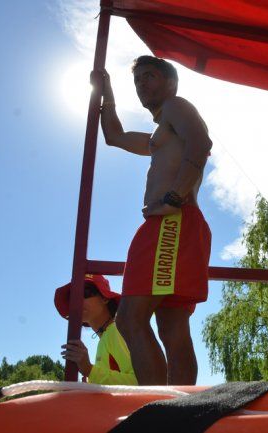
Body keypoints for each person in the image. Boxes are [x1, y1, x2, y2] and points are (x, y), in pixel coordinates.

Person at [99, 56, 213, 385]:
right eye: (137, 81)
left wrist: (177, 194)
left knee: (130, 319)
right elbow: (114, 136)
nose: (142, 85)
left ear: (170, 83)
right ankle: (182, 408)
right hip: (172, 224)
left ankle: (157, 408)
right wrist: (107, 92)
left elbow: (200, 142)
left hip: (173, 221)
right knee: (171, 322)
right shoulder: (158, 136)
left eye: (149, 76)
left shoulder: (177, 106)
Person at [56, 274, 137, 385]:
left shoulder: (116, 331)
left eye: (86, 292)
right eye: (73, 297)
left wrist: (89, 370)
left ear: (104, 298)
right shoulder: (107, 335)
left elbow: (141, 382)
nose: (78, 301)